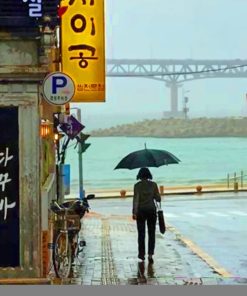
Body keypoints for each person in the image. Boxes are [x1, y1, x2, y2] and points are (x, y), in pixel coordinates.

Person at [132, 167, 161, 263]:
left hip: (140, 211)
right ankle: (150, 254)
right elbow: (158, 198)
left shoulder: (137, 186)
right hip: (151, 210)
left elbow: (136, 200)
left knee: (141, 234)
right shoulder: (153, 185)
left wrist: (134, 212)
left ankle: (141, 255)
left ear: (139, 175)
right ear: (149, 175)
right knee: (151, 233)